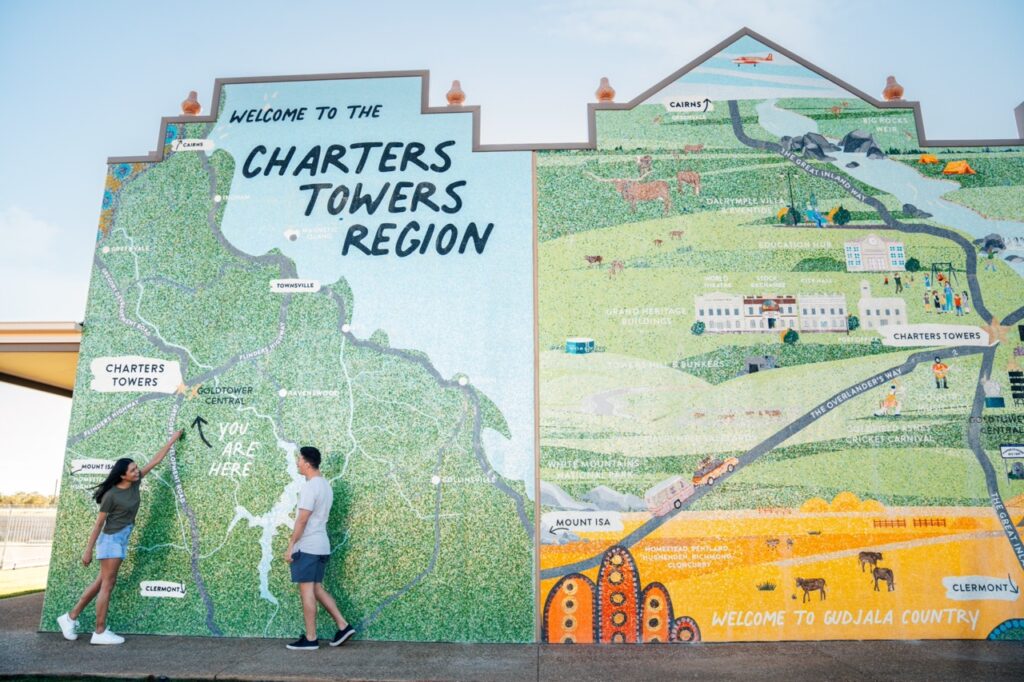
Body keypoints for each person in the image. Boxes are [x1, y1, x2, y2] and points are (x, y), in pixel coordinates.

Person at [56, 429, 183, 645]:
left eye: (135, 468)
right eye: (132, 470)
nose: (137, 471)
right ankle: (99, 631)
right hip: (111, 540)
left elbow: (155, 460)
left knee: (101, 583)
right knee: (107, 585)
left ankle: (70, 617)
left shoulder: (136, 481)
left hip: (120, 539)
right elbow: (98, 524)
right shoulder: (111, 495)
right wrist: (88, 550)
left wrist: (173, 439)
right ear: (122, 475)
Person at [283, 446, 354, 650]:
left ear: (307, 462)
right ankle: (343, 625)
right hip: (321, 546)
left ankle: (311, 638)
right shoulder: (325, 486)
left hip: (308, 546)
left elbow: (302, 520)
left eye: (299, 459)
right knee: (316, 589)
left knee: (306, 591)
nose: (297, 463)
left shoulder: (310, 487)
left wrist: (291, 546)